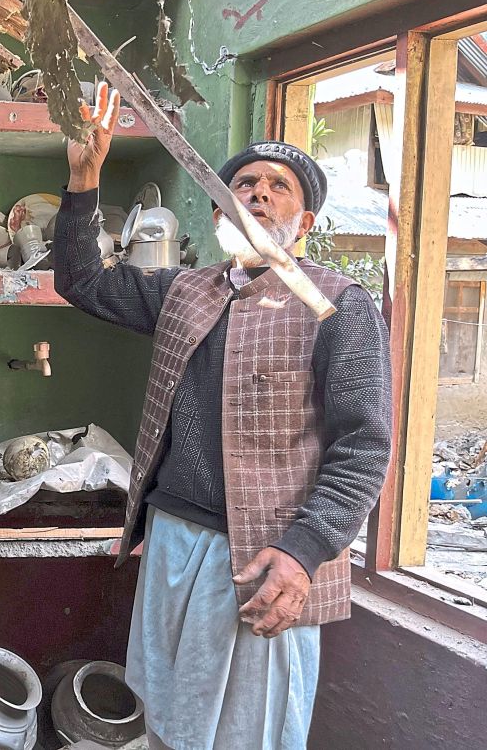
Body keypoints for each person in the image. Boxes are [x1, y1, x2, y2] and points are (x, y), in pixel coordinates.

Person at [53, 83, 392, 750]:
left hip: (268, 560)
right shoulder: (186, 289)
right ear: (218, 211)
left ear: (308, 220)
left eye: (279, 186)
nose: (259, 193)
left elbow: (364, 448)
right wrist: (84, 175)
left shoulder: (337, 306)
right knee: (161, 722)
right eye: (243, 183)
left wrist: (302, 557)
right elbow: (81, 280)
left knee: (249, 735)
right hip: (174, 543)